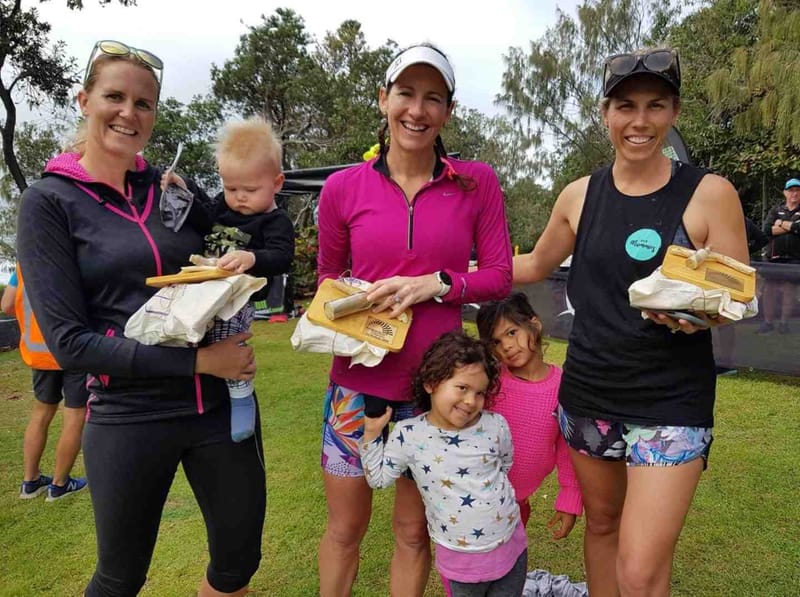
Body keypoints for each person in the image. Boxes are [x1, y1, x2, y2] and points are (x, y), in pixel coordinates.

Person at [16, 40, 264, 596]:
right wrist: (202, 360)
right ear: (84, 100)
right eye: (115, 96)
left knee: (236, 565)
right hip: (129, 414)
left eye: (144, 103)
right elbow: (70, 344)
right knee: (120, 578)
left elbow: (239, 241)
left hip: (219, 409)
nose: (129, 113)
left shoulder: (171, 191)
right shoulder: (50, 202)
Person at [513, 47, 749, 597]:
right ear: (605, 113)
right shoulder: (579, 194)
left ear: (674, 112)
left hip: (672, 402)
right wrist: (451, 271)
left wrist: (701, 314)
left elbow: (738, 292)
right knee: (602, 527)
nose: (639, 121)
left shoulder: (709, 193)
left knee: (641, 568)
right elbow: (534, 264)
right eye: (625, 106)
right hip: (590, 394)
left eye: (655, 106)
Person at [316, 43, 512, 597]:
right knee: (345, 529)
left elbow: (498, 274)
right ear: (384, 99)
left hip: (434, 396)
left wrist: (439, 283)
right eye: (405, 93)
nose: (417, 110)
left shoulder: (477, 183)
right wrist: (353, 301)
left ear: (448, 112)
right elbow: (327, 281)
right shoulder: (342, 188)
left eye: (433, 98)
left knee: (412, 532)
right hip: (357, 387)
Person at [360, 331, 526, 597]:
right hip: (461, 560)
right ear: (431, 383)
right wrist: (371, 435)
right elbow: (378, 479)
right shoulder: (408, 434)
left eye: (480, 392)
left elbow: (504, 465)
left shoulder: (496, 424)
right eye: (462, 388)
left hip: (512, 545)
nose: (471, 401)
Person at [162, 117, 294, 441]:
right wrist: (184, 186)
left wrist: (252, 258)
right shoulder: (223, 204)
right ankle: (187, 384)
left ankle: (241, 394)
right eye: (231, 188)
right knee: (182, 330)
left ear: (276, 183)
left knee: (229, 337)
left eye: (250, 190)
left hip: (237, 301)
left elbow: (281, 256)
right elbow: (204, 214)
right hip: (203, 288)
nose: (238, 197)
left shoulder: (274, 221)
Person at [476, 292, 582, 534]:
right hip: (473, 501)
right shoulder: (488, 382)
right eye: (496, 342)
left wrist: (569, 497)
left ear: (534, 325)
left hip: (517, 506)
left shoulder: (563, 386)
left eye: (512, 333)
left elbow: (567, 445)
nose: (507, 347)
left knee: (509, 567)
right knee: (466, 569)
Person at [1, 267, 88, 501]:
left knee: (41, 413)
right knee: (75, 415)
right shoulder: (73, 253)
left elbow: (7, 305)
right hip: (74, 347)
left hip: (40, 351)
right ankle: (60, 485)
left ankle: (30, 482)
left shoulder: (24, 263)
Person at [756, 178, 800, 334]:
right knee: (769, 289)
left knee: (789, 290)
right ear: (785, 193)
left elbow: (798, 228)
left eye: (797, 190)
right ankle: (768, 322)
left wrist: (781, 224)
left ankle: (784, 323)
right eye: (791, 190)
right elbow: (767, 229)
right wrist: (791, 227)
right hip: (774, 257)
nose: (794, 193)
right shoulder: (776, 210)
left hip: (795, 258)